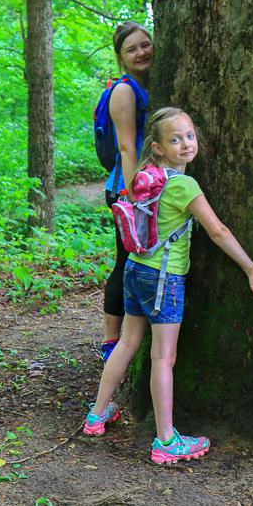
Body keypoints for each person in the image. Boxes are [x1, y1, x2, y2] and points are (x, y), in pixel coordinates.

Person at [83, 107, 253, 464]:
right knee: (163, 358)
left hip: (134, 271)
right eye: (175, 139)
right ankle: (166, 441)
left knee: (128, 342)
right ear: (158, 147)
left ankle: (97, 414)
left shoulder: (147, 177)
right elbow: (218, 231)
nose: (185, 144)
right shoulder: (184, 185)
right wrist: (251, 269)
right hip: (162, 279)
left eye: (190, 136)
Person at [101, 22, 154, 362]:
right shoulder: (125, 91)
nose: (141, 52)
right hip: (127, 190)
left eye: (145, 44)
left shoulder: (149, 85)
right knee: (125, 262)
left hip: (144, 186)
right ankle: (110, 343)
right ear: (121, 58)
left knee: (138, 262)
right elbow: (125, 147)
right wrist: (135, 194)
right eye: (131, 49)